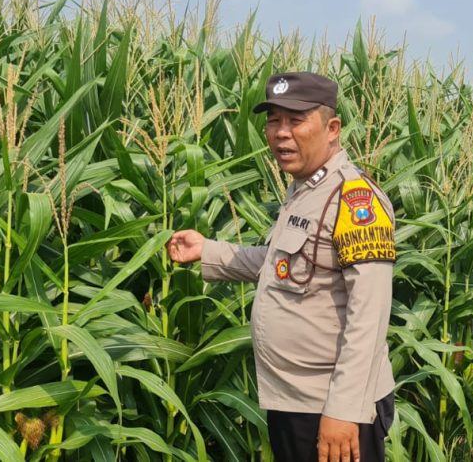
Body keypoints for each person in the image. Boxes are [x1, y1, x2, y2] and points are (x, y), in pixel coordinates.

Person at [167, 72, 396, 462]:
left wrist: (343, 410)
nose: (281, 133)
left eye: (296, 120)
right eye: (274, 120)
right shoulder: (305, 191)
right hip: (293, 399)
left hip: (332, 406)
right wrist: (208, 251)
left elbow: (369, 316)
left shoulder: (354, 200)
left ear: (332, 128)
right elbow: (283, 264)